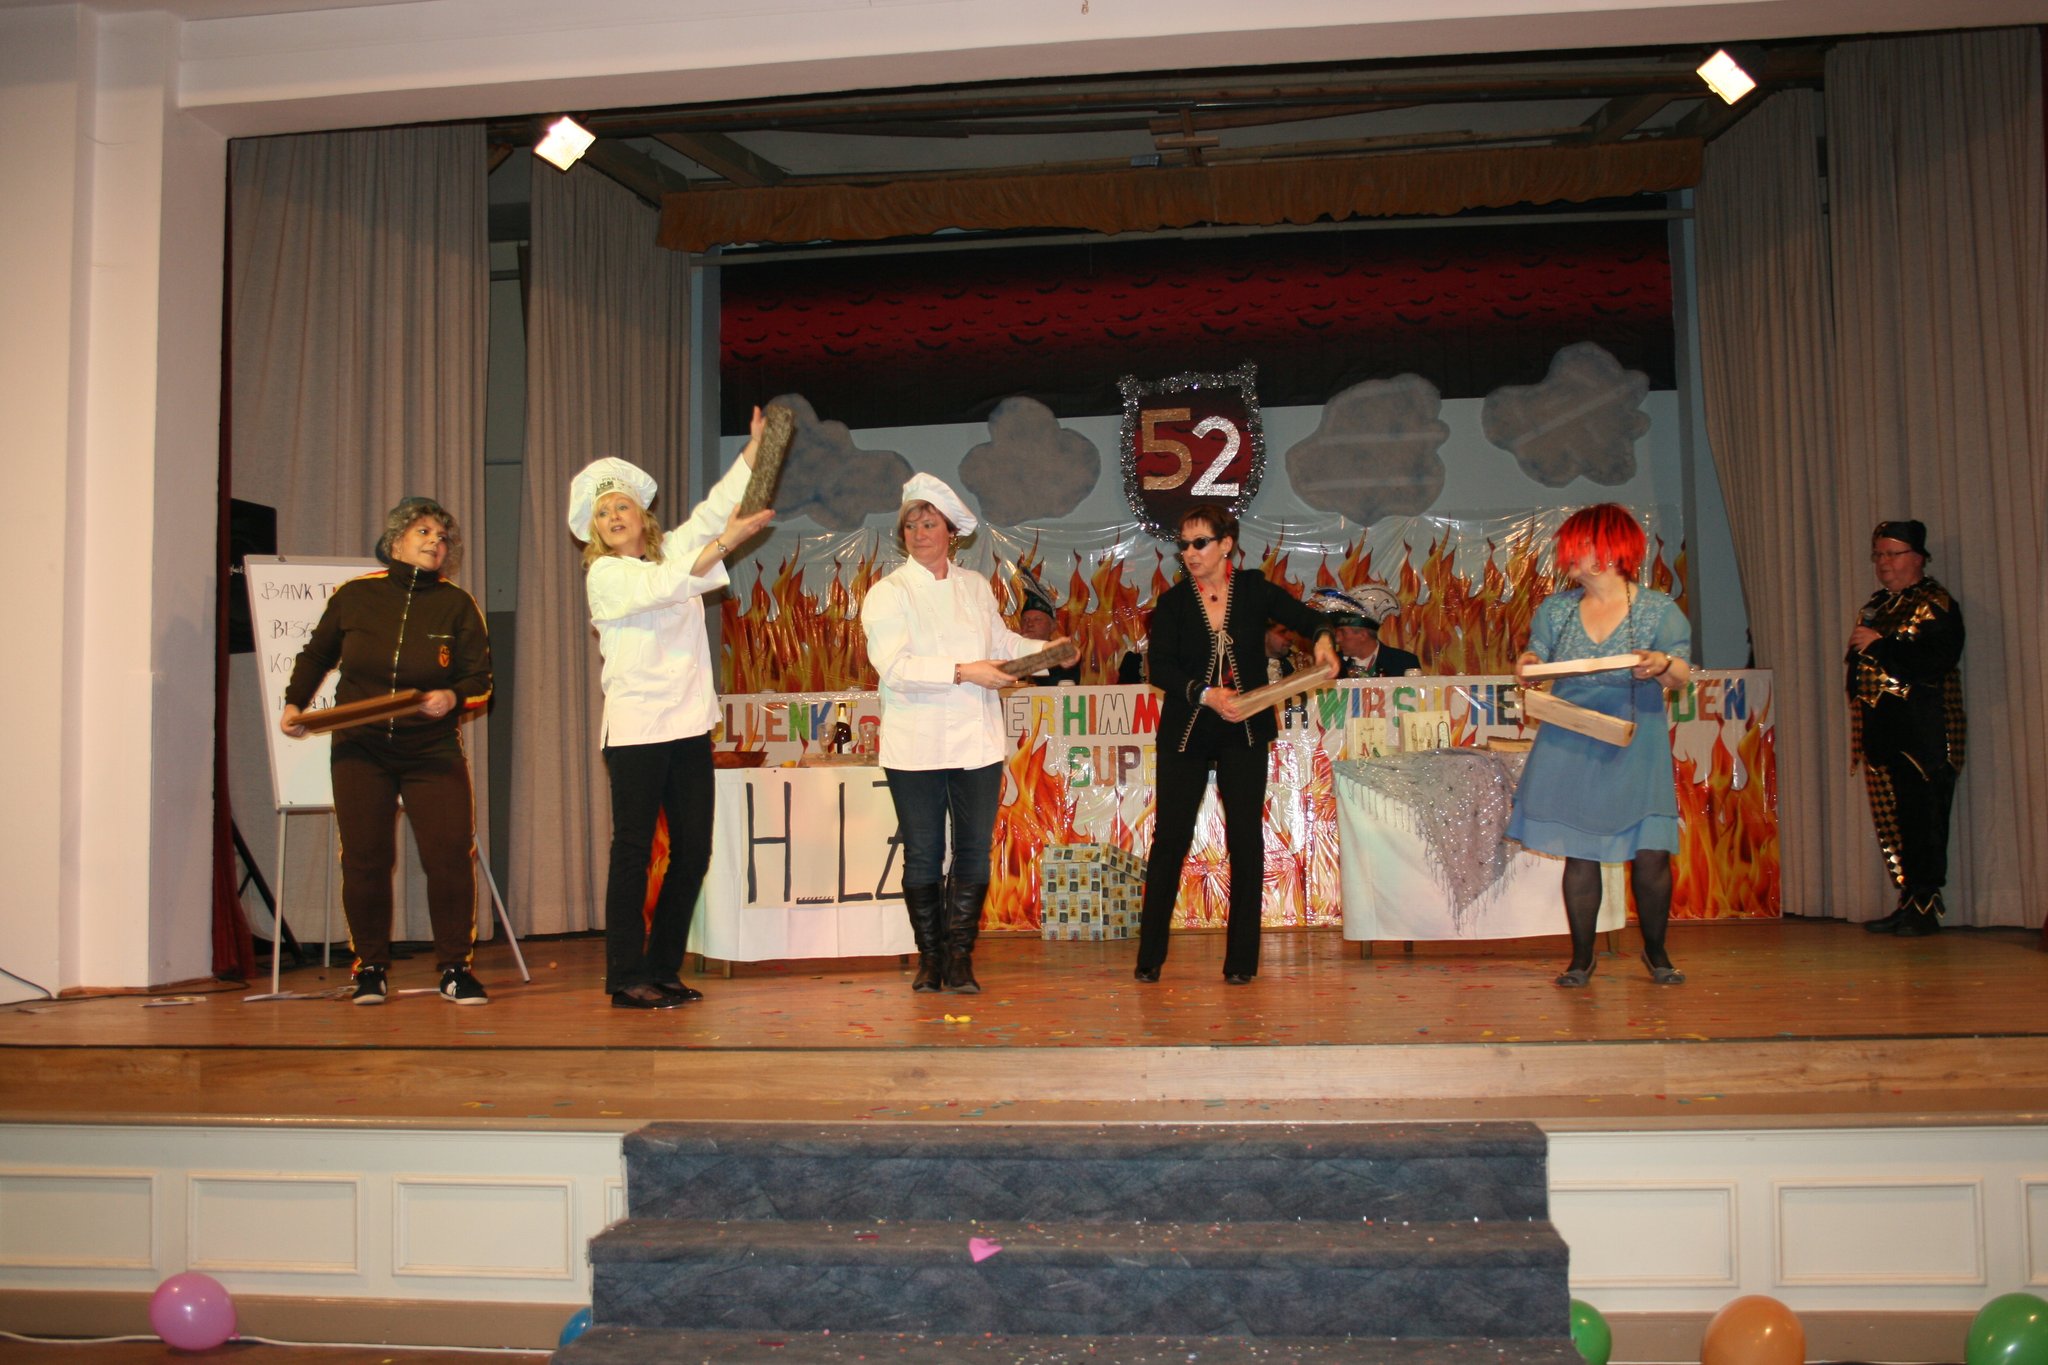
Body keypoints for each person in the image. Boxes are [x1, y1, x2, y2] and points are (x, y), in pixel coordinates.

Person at [568, 426, 775, 1010]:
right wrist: (726, 542)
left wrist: (753, 453)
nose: (613, 516)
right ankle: (624, 975)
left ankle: (662, 968)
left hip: (687, 727)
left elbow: (712, 513)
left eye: (622, 506)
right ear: (595, 530)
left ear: (642, 516)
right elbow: (664, 583)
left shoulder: (674, 552)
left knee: (693, 851)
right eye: (603, 512)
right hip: (636, 731)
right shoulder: (607, 574)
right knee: (633, 852)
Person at [281, 498, 493, 1007]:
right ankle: (370, 968)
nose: (435, 542)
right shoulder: (355, 596)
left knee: (449, 855)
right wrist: (294, 704)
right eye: (424, 532)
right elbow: (316, 654)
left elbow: (480, 680)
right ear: (396, 540)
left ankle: (455, 969)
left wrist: (453, 697)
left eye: (442, 537)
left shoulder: (458, 604)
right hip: (360, 747)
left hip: (432, 750)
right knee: (366, 858)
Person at [863, 474, 1056, 994]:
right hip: (915, 744)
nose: (919, 533)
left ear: (951, 533)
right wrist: (966, 671)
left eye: (930, 524)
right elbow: (894, 666)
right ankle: (930, 958)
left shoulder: (974, 586)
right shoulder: (887, 594)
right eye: (911, 525)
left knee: (972, 851)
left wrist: (1046, 653)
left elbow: (1002, 643)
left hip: (976, 741)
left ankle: (959, 957)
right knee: (923, 852)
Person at [1135, 504, 1340, 985]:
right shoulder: (1173, 603)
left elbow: (1307, 619)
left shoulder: (1253, 590)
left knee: (1246, 839)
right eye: (1183, 545)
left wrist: (1323, 640)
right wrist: (1206, 694)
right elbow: (1159, 667)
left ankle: (1242, 963)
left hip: (1244, 728)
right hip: (1188, 729)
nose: (1189, 553)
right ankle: (1149, 958)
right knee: (1170, 840)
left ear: (1226, 544)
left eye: (1199, 543)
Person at [1506, 504, 1690, 988]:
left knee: (1651, 851)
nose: (1567, 556)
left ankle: (1656, 952)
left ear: (1610, 550)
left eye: (1578, 546)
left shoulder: (1658, 610)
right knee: (1580, 851)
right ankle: (1581, 958)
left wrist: (1660, 663)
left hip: (1635, 738)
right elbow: (1535, 656)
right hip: (1571, 736)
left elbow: (1680, 673)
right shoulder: (1556, 610)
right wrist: (1528, 664)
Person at [1847, 519, 1965, 937]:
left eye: (1892, 554)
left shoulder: (1935, 603)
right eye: (1878, 554)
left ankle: (1925, 905)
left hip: (1923, 732)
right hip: (1884, 731)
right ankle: (1909, 900)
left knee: (1923, 817)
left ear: (1917, 558)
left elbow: (1937, 660)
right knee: (1894, 819)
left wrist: (1880, 646)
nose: (1883, 562)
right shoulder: (1878, 605)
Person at [1311, 586, 1422, 677]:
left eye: (1343, 633)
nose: (1337, 639)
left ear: (1363, 635)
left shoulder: (1404, 662)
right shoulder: (1332, 664)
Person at [1014, 576, 1081, 686]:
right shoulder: (1012, 652)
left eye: (1037, 619)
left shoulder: (1061, 654)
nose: (1030, 624)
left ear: (1053, 626)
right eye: (1025, 620)